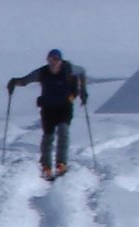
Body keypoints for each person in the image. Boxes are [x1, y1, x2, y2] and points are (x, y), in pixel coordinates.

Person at [8, 49, 88, 181]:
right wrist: (14, 82)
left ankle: (61, 164)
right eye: (50, 59)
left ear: (60, 61)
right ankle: (46, 166)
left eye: (56, 59)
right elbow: (25, 80)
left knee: (63, 132)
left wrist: (83, 91)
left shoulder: (69, 69)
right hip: (48, 108)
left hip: (64, 107)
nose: (53, 62)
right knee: (48, 136)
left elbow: (82, 71)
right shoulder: (43, 72)